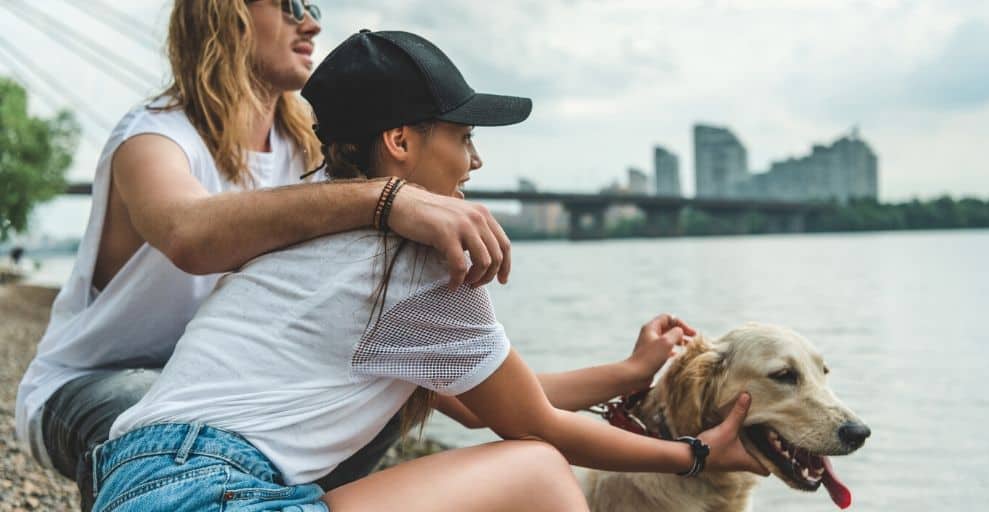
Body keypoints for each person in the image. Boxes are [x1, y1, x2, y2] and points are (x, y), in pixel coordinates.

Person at [89, 29, 768, 512]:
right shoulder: (412, 263)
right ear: (401, 142)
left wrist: (626, 373)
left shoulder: (307, 231)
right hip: (215, 494)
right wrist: (698, 454)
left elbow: (478, 405)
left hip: (135, 482)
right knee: (536, 468)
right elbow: (535, 429)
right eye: (465, 137)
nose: (476, 163)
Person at [14, 1, 514, 506]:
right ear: (223, 14)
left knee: (385, 393)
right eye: (290, 5)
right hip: (97, 382)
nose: (312, 22)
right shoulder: (154, 139)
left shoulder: (307, 156)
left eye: (313, 7)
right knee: (156, 415)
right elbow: (188, 236)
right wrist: (388, 198)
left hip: (236, 398)